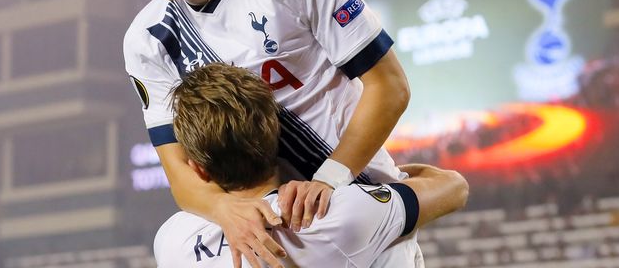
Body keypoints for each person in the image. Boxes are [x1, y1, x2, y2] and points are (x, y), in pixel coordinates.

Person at [89, 0, 411, 267]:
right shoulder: (149, 39)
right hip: (265, 240)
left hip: (357, 210)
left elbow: (389, 86)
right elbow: (178, 170)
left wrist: (331, 180)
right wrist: (226, 212)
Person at [155, 63, 469, 267]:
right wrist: (372, 177)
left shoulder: (172, 243)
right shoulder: (339, 213)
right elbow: (454, 187)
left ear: (197, 169)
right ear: (277, 137)